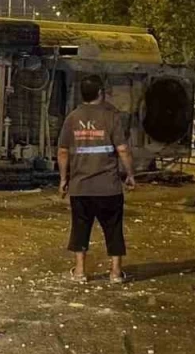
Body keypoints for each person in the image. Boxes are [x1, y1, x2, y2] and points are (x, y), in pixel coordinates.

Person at [58, 74, 136, 284]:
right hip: (108, 187)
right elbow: (123, 150)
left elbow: (63, 151)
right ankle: (116, 273)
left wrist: (63, 179)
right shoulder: (112, 117)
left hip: (81, 187)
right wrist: (130, 174)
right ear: (100, 93)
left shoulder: (72, 118)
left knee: (80, 228)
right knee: (113, 228)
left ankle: (80, 272)